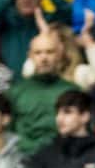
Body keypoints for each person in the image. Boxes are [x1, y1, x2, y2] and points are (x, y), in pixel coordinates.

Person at [7, 24, 78, 154]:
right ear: (30, 56)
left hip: (63, 156)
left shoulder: (73, 92)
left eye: (49, 52)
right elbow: (7, 133)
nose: (44, 58)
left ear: (59, 55)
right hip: (25, 158)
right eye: (38, 53)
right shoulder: (15, 92)